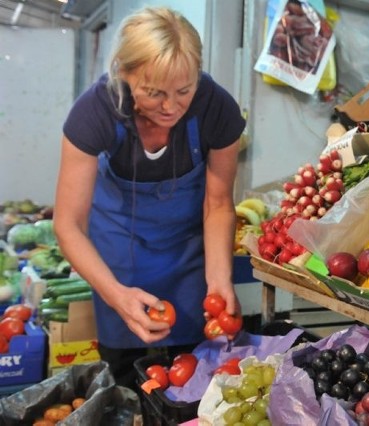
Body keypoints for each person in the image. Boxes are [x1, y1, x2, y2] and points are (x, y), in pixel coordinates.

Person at [53, 6, 246, 389]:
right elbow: (68, 223)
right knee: (127, 376)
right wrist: (116, 296)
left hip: (189, 257)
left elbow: (219, 203)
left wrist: (219, 278)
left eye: (184, 90)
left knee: (197, 374)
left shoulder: (216, 108)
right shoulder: (95, 112)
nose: (171, 106)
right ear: (124, 74)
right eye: (154, 92)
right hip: (118, 256)